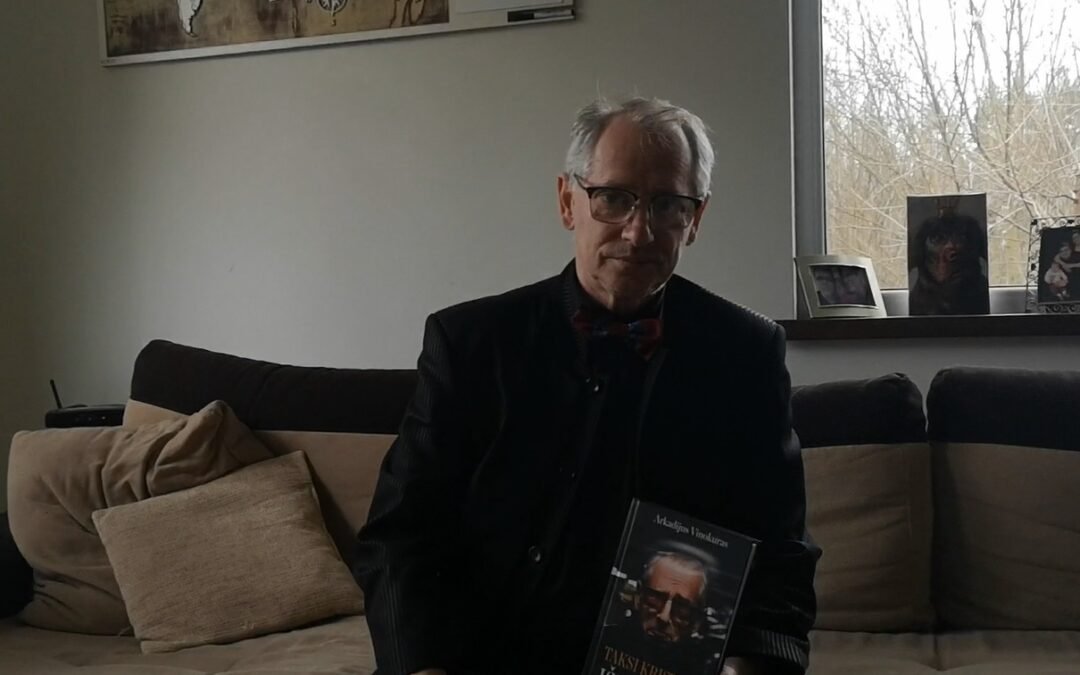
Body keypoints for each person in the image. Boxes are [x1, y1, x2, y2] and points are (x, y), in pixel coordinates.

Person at [354, 97, 819, 675]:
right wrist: (422, 667)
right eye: (614, 198)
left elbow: (779, 547)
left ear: (695, 219)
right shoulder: (469, 342)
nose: (639, 231)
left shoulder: (746, 351)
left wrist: (752, 662)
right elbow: (400, 533)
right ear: (567, 201)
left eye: (667, 205)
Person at [908, 211, 990, 315]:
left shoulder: (982, 295)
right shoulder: (917, 302)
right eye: (938, 239)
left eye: (961, 238)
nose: (951, 247)